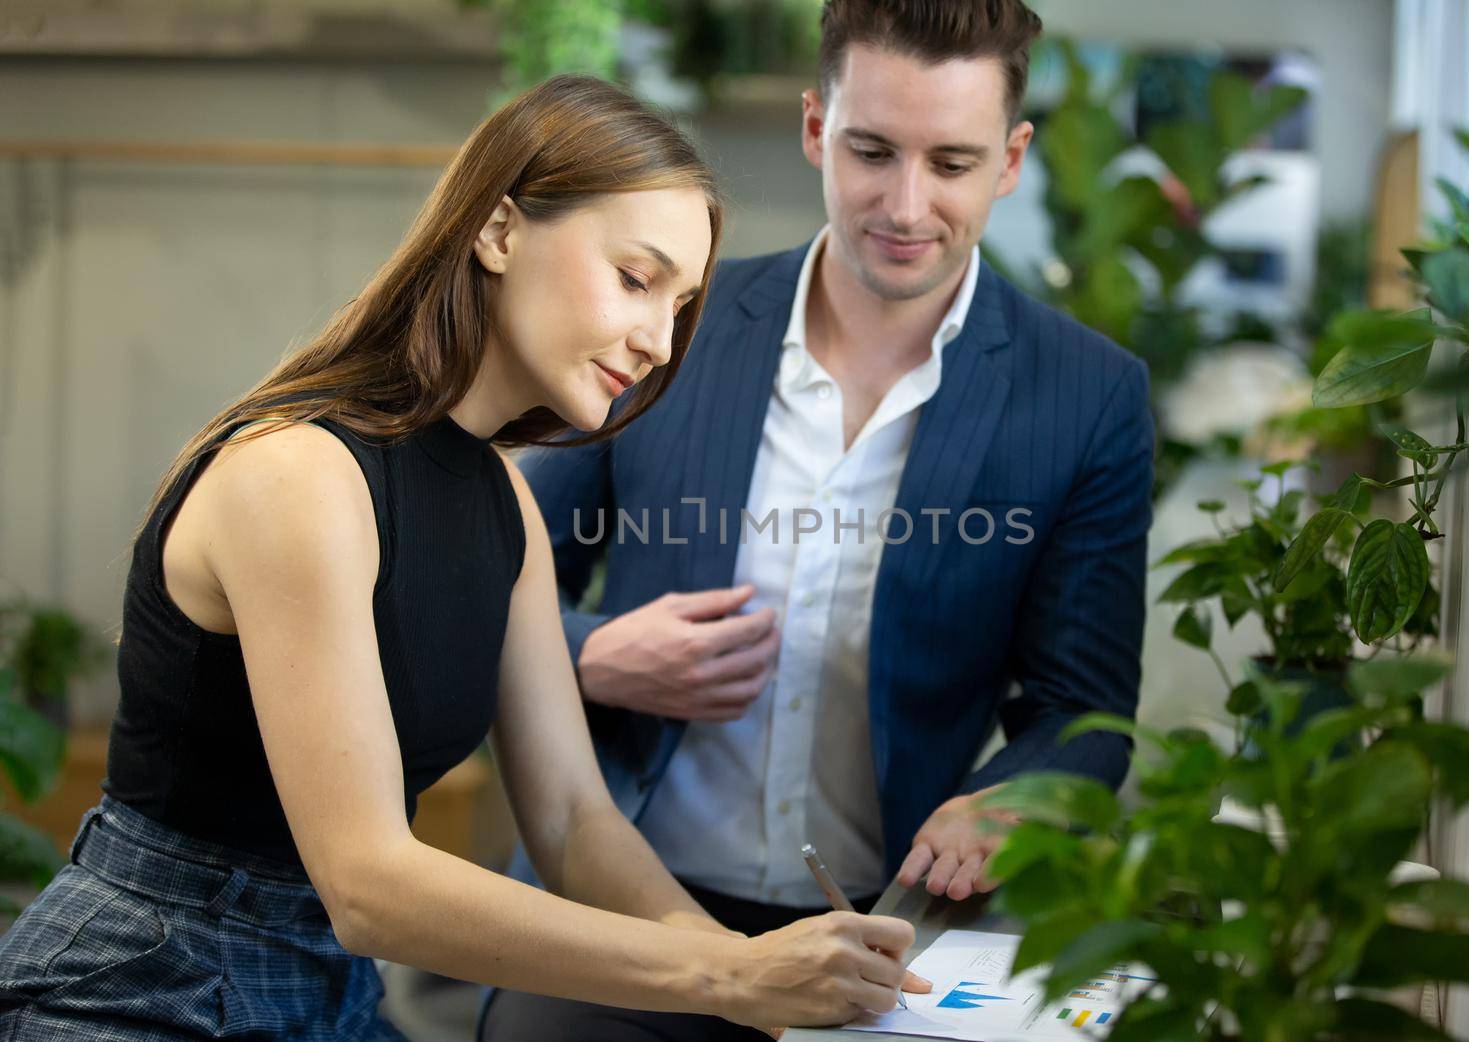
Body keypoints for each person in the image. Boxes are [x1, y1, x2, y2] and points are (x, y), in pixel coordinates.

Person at [0, 75, 925, 1041]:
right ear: (496, 230)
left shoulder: (505, 506)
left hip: (336, 992)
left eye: (682, 304)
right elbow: (367, 883)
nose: (659, 342)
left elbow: (572, 820)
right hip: (142, 986)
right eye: (635, 278)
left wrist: (749, 991)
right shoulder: (298, 475)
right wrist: (725, 971)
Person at [481, 2, 1156, 1040]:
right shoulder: (664, 324)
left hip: (886, 940)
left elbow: (1082, 708)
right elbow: (489, 577)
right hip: (617, 919)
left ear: (1011, 159)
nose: (904, 203)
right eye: (871, 150)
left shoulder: (1086, 396)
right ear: (814, 128)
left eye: (952, 162)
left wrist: (1012, 800)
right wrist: (593, 654)